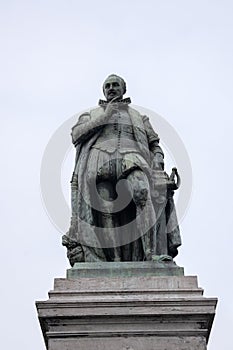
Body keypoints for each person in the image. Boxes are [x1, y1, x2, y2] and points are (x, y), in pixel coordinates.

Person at [62, 74, 181, 265]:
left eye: (115, 85)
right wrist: (105, 115)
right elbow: (76, 135)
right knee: (105, 207)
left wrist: (158, 163)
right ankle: (115, 261)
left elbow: (154, 145)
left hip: (131, 155)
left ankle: (151, 254)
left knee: (141, 192)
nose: (111, 88)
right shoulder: (91, 114)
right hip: (99, 157)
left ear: (123, 89)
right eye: (107, 85)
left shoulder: (140, 118)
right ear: (103, 90)